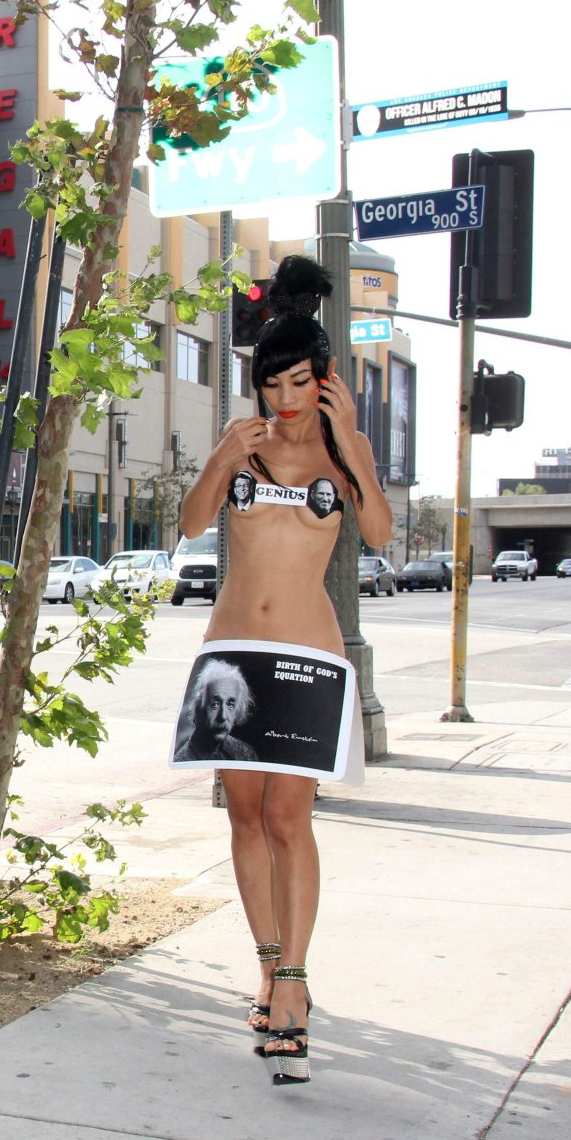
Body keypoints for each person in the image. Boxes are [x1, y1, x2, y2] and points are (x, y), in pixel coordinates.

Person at [177, 254, 393, 1086]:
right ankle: (267, 970)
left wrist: (356, 453)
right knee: (242, 817)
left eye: (301, 381)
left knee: (288, 819)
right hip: (232, 653)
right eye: (273, 383)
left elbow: (378, 533)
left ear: (325, 380)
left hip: (307, 656)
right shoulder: (245, 444)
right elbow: (193, 523)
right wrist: (220, 460)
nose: (286, 397)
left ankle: (295, 988)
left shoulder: (345, 450)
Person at [174, 660, 259, 761]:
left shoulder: (246, 754)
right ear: (198, 709)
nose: (223, 716)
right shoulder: (183, 760)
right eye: (215, 704)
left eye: (230, 704)